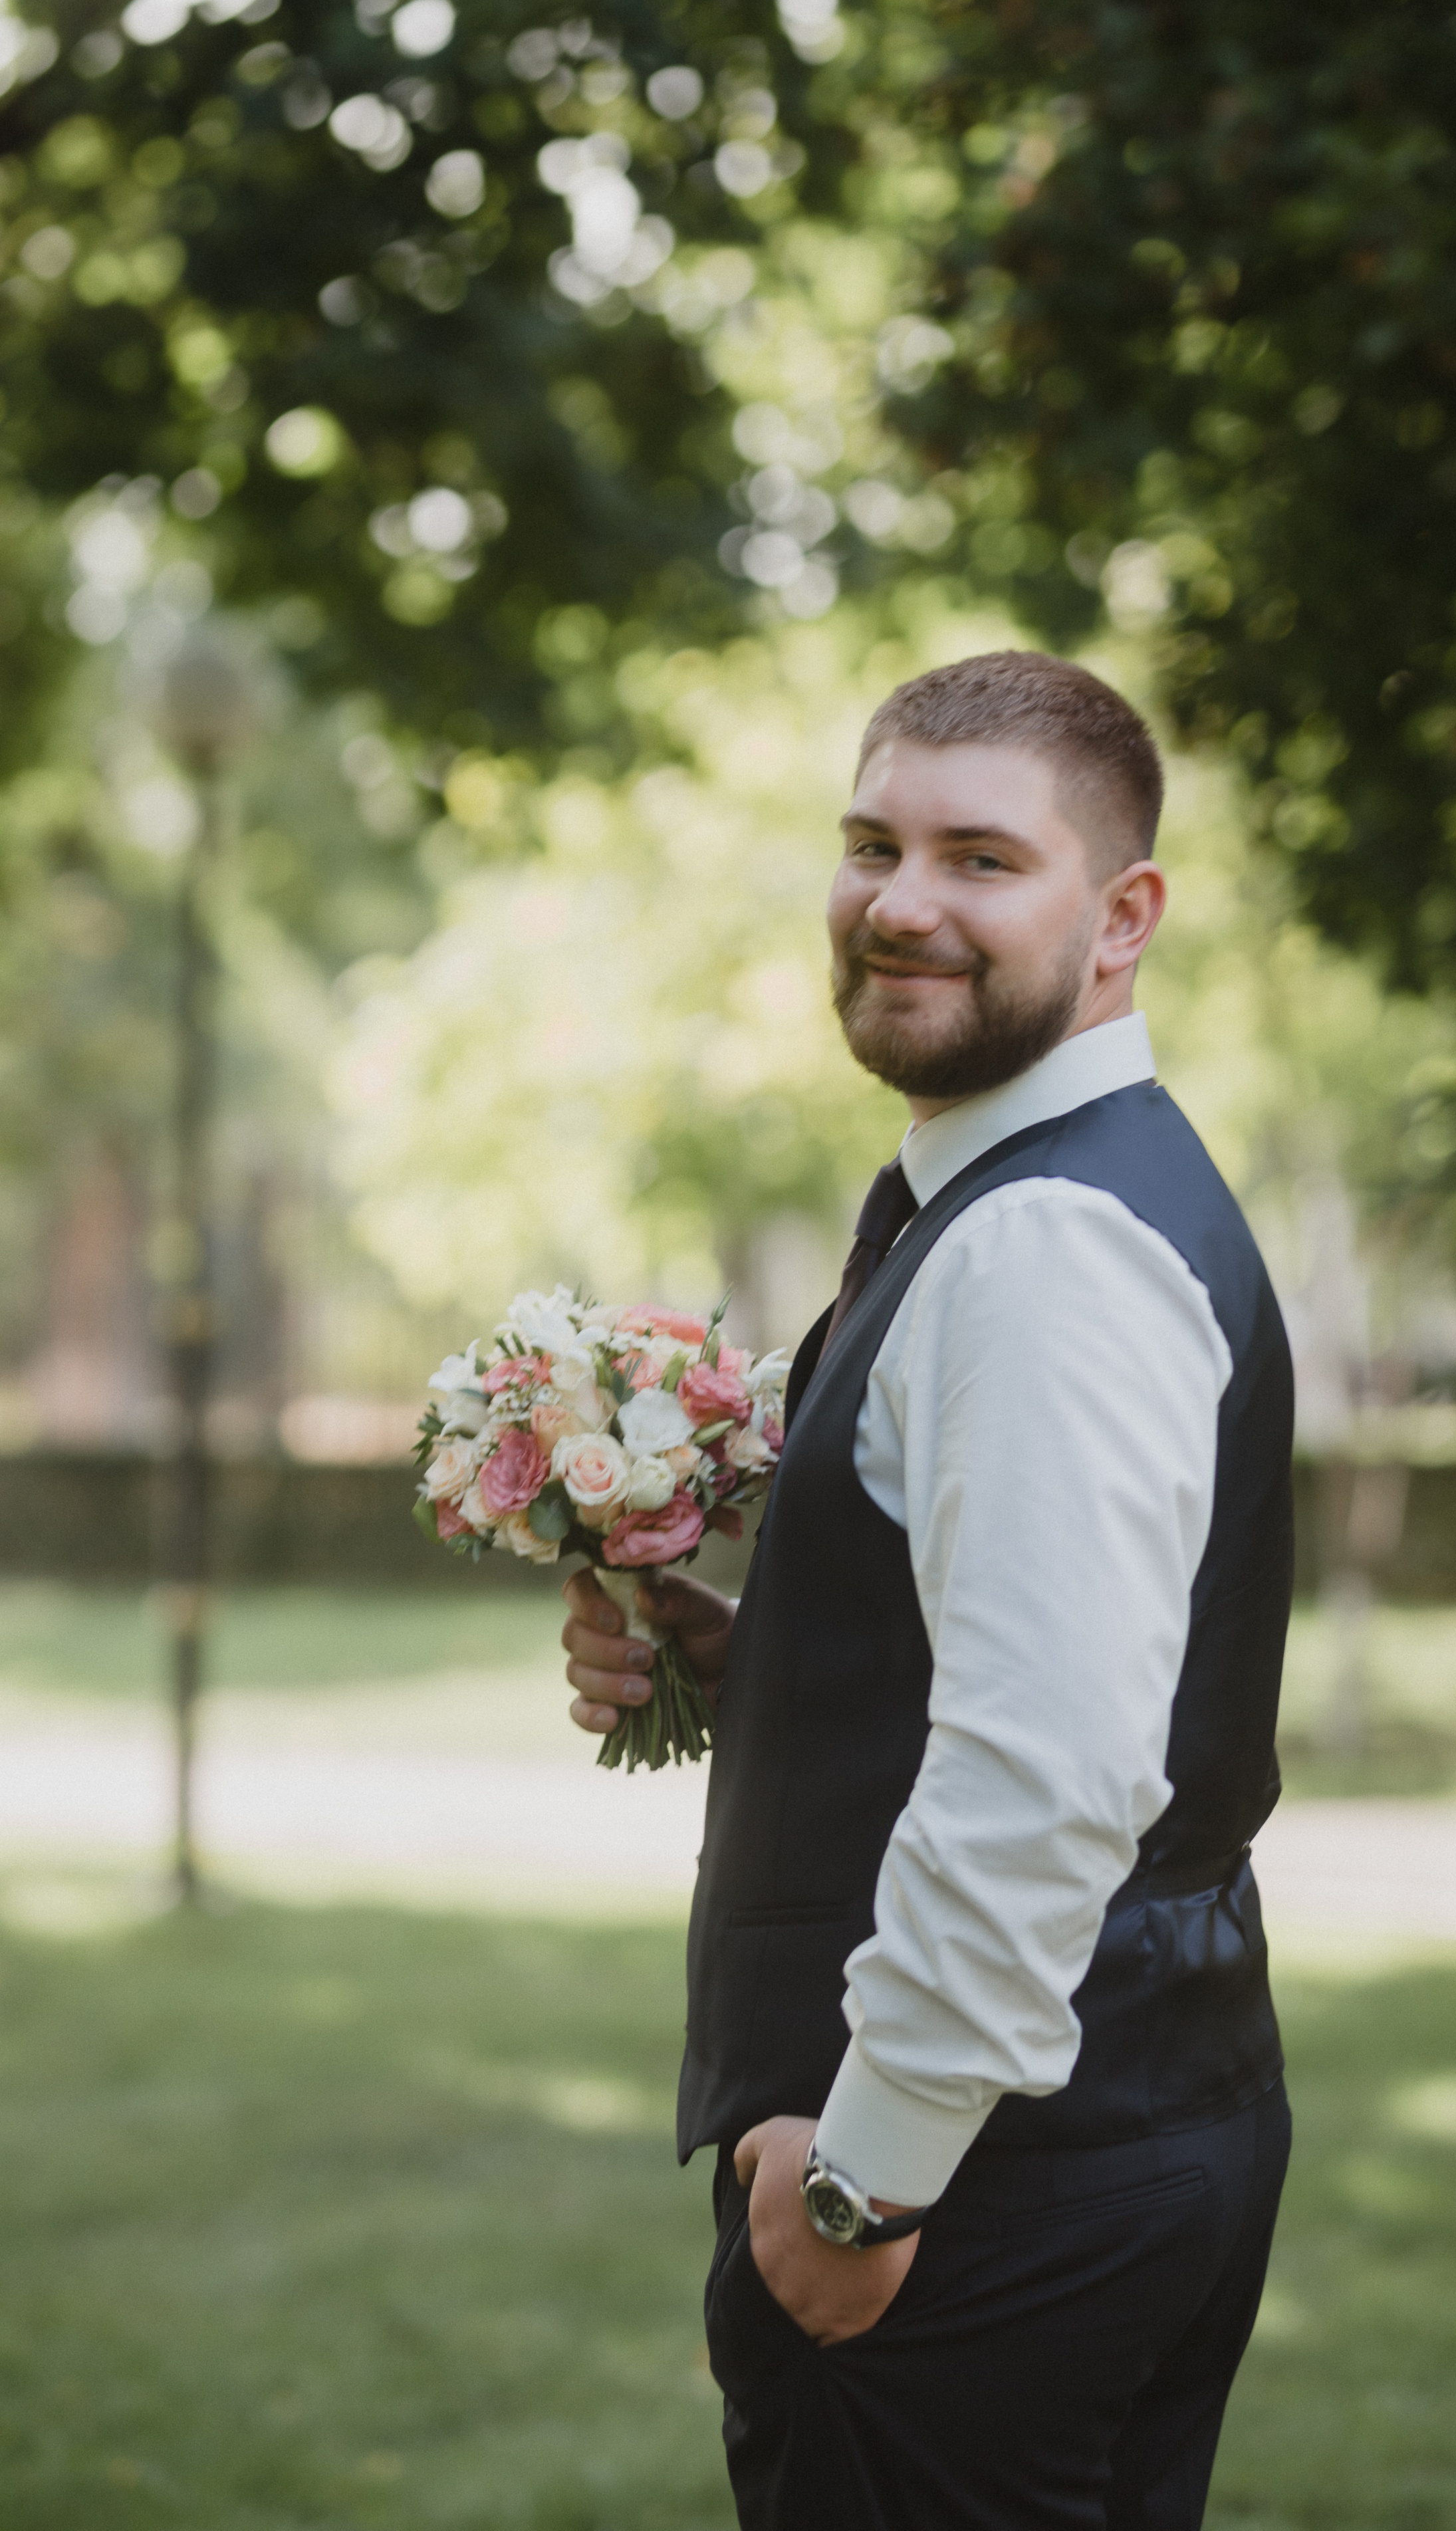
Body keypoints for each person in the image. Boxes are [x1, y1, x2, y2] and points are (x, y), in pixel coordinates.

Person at [562, 650, 1294, 2531]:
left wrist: (859, 2185)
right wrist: (755, 1663)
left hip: (977, 2194)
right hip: (1106, 2135)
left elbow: (1049, 1777)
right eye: (872, 845)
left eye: (982, 858)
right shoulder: (1026, 1197)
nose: (901, 903)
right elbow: (1037, 1661)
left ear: (1123, 917)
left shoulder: (1043, 1244)